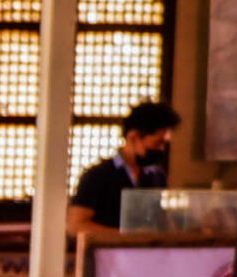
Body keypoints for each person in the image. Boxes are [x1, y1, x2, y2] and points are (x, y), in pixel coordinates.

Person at [68, 100, 181, 235]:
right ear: (133, 137)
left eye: (164, 144)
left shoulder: (156, 175)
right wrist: (124, 236)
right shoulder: (97, 175)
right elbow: (75, 225)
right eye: (158, 143)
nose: (161, 149)